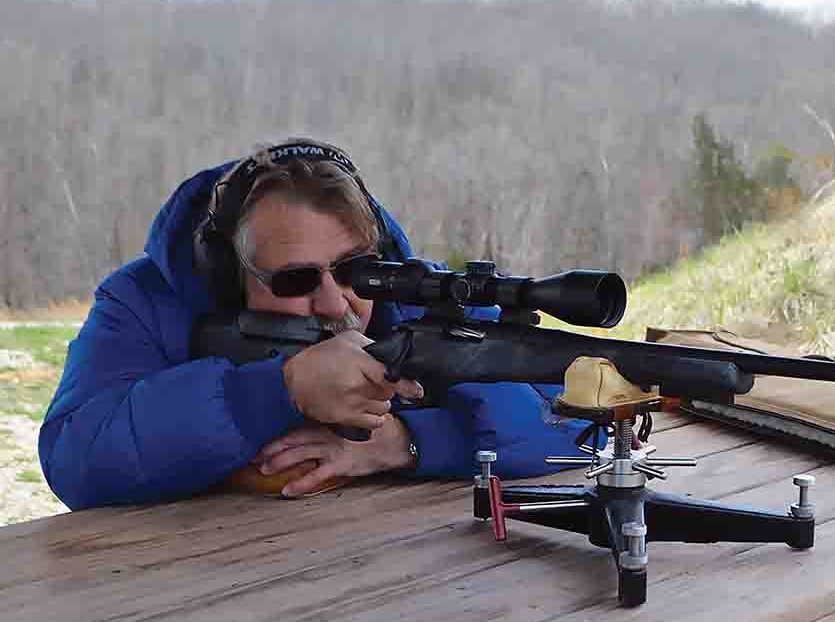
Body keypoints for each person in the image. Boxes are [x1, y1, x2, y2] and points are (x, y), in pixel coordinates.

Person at [39, 137, 597, 509]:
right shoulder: (144, 301)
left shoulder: (424, 295)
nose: (335, 304)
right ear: (231, 278)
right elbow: (76, 459)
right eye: (294, 281)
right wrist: (271, 391)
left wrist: (406, 443)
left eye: (357, 269)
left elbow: (581, 427)